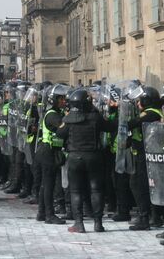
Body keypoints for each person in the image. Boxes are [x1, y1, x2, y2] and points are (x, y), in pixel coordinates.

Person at [58, 88, 117, 233]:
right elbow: (110, 127)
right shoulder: (95, 117)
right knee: (96, 190)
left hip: (75, 157)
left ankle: (79, 223)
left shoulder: (69, 119)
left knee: (76, 191)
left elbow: (60, 134)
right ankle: (98, 223)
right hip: (93, 157)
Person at [127, 86, 164, 231]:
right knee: (149, 186)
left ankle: (144, 218)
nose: (137, 104)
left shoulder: (151, 114)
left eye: (139, 101)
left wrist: (124, 119)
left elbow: (133, 123)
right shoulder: (152, 113)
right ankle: (154, 217)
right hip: (146, 153)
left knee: (138, 185)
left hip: (146, 154)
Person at [35, 84, 68, 225]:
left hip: (47, 150)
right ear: (54, 99)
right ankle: (49, 215)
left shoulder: (54, 113)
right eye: (62, 99)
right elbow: (63, 129)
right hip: (48, 151)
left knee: (45, 184)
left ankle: (42, 212)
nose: (64, 101)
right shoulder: (53, 115)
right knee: (49, 184)